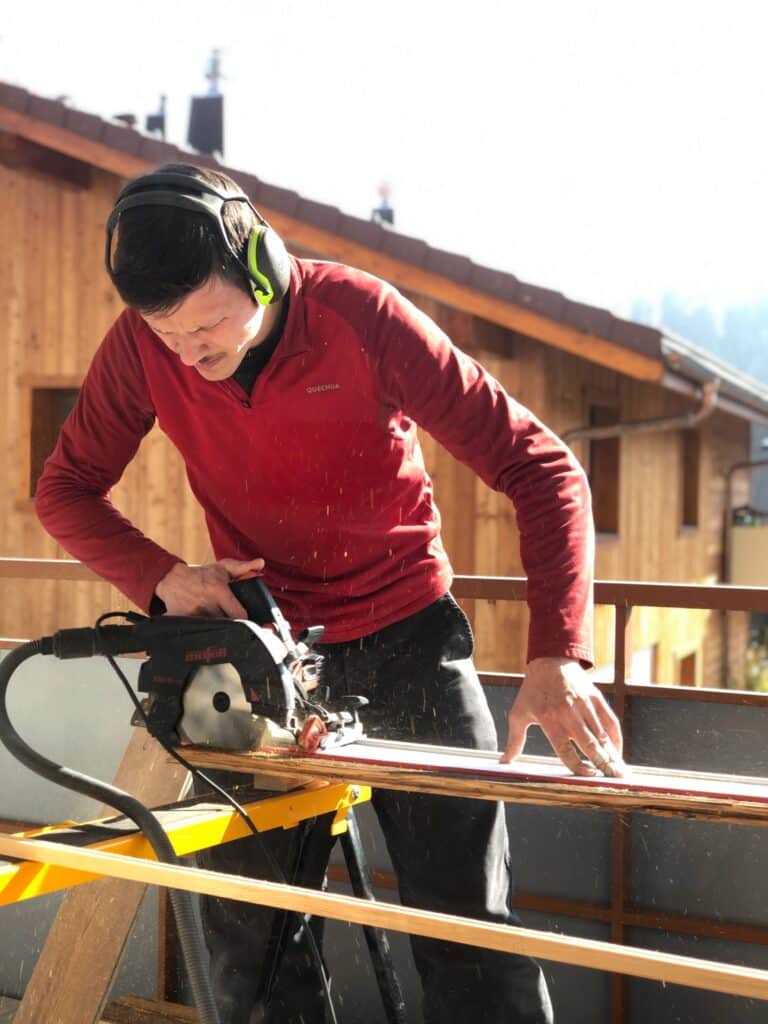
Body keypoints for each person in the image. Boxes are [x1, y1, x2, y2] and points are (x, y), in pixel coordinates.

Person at [36, 163, 625, 1024]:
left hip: (410, 641)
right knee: (251, 945)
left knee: (472, 937)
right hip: (266, 658)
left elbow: (543, 470)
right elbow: (66, 490)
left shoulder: (362, 318)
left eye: (205, 324)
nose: (187, 352)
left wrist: (559, 653)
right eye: (165, 333)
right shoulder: (140, 349)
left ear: (263, 266)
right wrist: (164, 579)